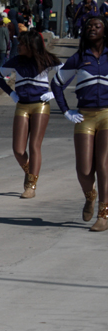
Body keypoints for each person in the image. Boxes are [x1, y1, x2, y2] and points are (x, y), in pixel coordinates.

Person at [51, 15, 108, 231]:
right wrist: (66, 111)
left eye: (97, 26)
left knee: (104, 165)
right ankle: (90, 195)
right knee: (84, 169)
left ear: (105, 30)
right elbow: (57, 84)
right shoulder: (79, 57)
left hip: (107, 115)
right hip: (84, 117)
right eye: (89, 26)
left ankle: (103, 214)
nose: (92, 28)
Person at [0, 29, 60, 198]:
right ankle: (30, 170)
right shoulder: (16, 61)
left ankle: (31, 186)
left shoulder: (47, 59)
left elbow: (66, 75)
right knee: (18, 149)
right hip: (22, 105)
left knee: (34, 145)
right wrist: (11, 93)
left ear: (32, 45)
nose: (19, 46)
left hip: (41, 105)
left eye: (23, 44)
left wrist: (54, 93)